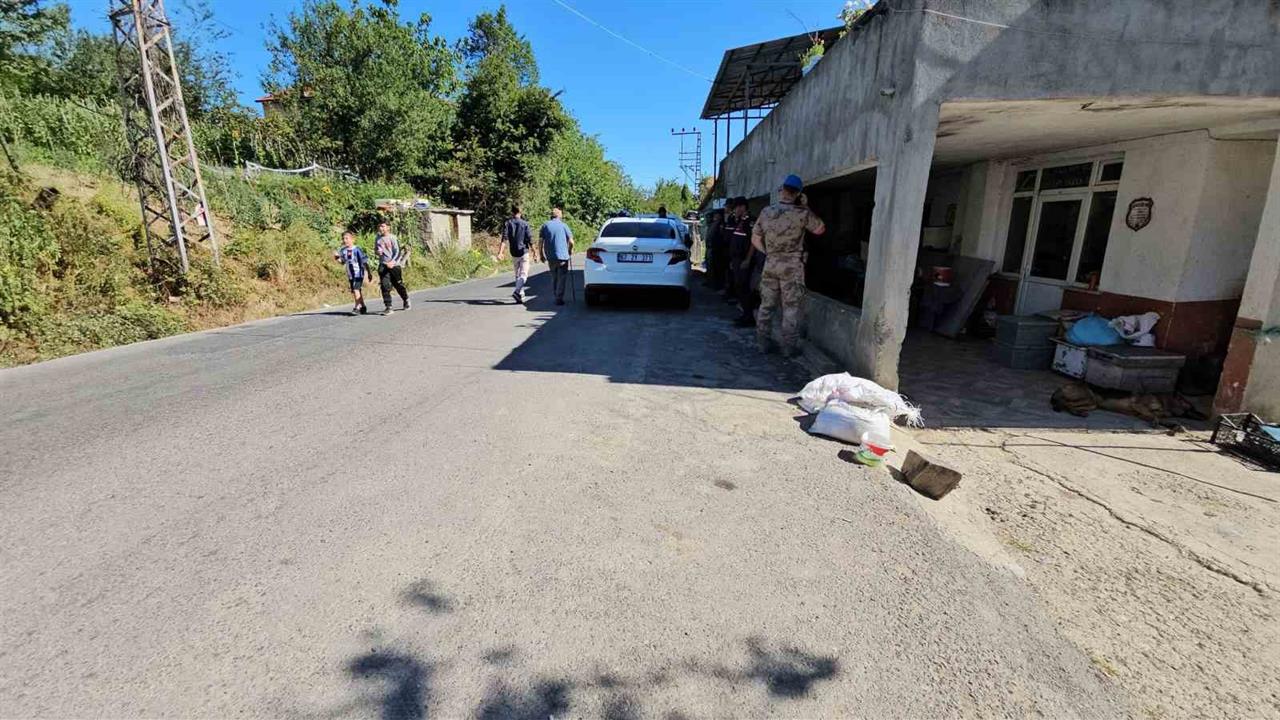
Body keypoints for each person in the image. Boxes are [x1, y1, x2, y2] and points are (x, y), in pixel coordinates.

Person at [752, 174, 825, 356]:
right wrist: (806, 206)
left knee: (766, 305)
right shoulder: (802, 213)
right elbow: (820, 229)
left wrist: (768, 253)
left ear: (782, 190)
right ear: (798, 194)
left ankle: (762, 343)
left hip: (771, 263)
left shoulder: (766, 212)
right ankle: (788, 347)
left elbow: (755, 238)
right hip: (792, 266)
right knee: (790, 307)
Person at [540, 208, 574, 305]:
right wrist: (570, 250)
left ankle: (556, 295)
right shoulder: (564, 225)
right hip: (563, 256)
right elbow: (571, 241)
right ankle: (559, 297)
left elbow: (540, 241)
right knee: (562, 277)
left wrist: (541, 254)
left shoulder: (545, 225)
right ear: (559, 215)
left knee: (554, 277)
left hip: (551, 256)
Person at [500, 205, 534, 304]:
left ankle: (520, 295)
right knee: (524, 274)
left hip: (514, 252)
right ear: (520, 212)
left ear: (512, 212)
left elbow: (504, 238)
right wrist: (535, 252)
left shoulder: (508, 223)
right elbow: (530, 239)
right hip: (524, 252)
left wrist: (500, 252)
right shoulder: (525, 224)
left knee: (517, 275)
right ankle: (517, 291)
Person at [375, 221, 410, 315]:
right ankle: (388, 307)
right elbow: (376, 250)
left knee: (398, 285)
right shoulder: (378, 238)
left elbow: (398, 252)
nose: (380, 228)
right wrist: (378, 252)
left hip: (394, 265)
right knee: (384, 285)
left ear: (388, 227)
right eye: (379, 226)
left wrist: (392, 262)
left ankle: (406, 299)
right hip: (383, 264)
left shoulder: (392, 238)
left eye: (382, 226)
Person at [333, 231, 370, 315]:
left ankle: (357, 307)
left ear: (353, 239)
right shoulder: (343, 250)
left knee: (356, 289)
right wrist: (337, 258)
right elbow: (342, 262)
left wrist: (368, 272)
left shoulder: (357, 250)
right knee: (356, 291)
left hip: (358, 273)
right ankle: (363, 306)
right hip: (350, 274)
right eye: (343, 238)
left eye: (347, 238)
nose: (345, 240)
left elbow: (364, 261)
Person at [726, 196, 753, 309]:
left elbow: (754, 242)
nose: (734, 210)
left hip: (744, 260)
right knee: (738, 286)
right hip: (736, 259)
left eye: (735, 208)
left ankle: (748, 314)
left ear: (742, 207)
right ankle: (744, 312)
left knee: (744, 286)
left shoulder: (749, 221)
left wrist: (747, 259)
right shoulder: (739, 221)